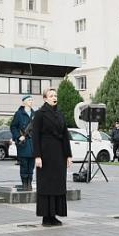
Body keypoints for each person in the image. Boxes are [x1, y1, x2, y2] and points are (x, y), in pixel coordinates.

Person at [33, 88, 72, 226]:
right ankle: (46, 216)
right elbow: (35, 136)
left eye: (55, 95)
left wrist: (68, 155)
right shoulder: (39, 114)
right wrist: (37, 156)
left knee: (58, 184)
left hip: (59, 155)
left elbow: (65, 135)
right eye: (51, 96)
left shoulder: (60, 114)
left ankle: (54, 215)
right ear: (45, 98)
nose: (54, 97)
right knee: (46, 184)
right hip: (45, 154)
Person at [10, 95, 36, 190]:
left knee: (31, 165)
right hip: (23, 143)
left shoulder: (34, 114)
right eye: (29, 100)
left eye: (32, 100)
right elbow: (13, 127)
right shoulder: (19, 114)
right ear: (24, 102)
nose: (31, 101)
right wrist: (18, 136)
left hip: (33, 143)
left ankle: (29, 183)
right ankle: (25, 183)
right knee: (24, 165)